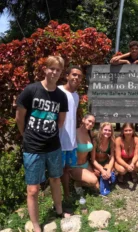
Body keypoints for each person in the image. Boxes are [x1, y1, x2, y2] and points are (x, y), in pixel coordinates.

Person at [15, 55, 69, 231]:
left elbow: (60, 122)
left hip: (53, 146)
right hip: (33, 148)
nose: (54, 72)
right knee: (33, 189)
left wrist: (49, 134)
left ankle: (59, 210)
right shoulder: (31, 90)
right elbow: (19, 117)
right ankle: (36, 225)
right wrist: (26, 135)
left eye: (58, 69)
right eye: (51, 68)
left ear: (61, 73)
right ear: (45, 69)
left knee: (55, 178)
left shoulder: (61, 96)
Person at [58, 66, 82, 200]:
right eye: (74, 75)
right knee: (57, 170)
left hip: (70, 141)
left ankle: (67, 194)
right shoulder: (58, 91)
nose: (76, 78)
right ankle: (60, 197)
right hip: (58, 140)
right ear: (67, 76)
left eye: (79, 76)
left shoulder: (76, 96)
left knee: (67, 169)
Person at [70, 114, 99, 193]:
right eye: (89, 121)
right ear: (83, 120)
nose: (90, 124)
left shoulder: (91, 134)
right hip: (75, 166)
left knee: (97, 187)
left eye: (93, 123)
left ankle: (80, 182)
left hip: (86, 164)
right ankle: (77, 183)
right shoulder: (74, 133)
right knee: (94, 180)